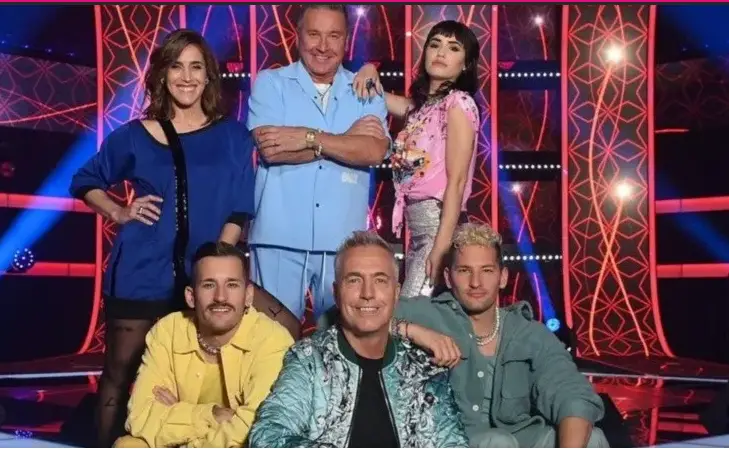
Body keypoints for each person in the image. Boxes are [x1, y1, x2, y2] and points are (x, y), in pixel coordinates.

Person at [69, 29, 255, 445]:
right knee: (119, 374)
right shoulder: (136, 134)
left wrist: (216, 268)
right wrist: (119, 211)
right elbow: (84, 179)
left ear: (209, 76)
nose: (186, 77)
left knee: (194, 381)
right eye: (176, 66)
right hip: (140, 271)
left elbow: (239, 209)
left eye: (196, 67)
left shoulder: (233, 136)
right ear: (162, 75)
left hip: (201, 279)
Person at [393, 223, 610, 448]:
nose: (476, 283)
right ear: (448, 278)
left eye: (487, 270)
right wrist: (410, 330)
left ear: (503, 277)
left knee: (592, 438)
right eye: (464, 270)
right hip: (450, 440)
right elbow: (369, 318)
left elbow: (571, 392)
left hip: (519, 438)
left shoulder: (527, 332)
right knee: (497, 442)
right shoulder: (427, 314)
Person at [247, 231, 468, 448]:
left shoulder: (423, 368)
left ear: (396, 293)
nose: (367, 293)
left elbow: (453, 442)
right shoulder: (310, 361)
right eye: (354, 280)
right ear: (336, 293)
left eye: (380, 280)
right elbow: (268, 436)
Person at [247, 4, 390, 322]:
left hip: (344, 241)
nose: (323, 46)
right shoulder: (271, 83)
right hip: (278, 237)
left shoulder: (366, 89)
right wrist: (346, 140)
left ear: (346, 40)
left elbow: (373, 151)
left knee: (343, 339)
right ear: (298, 36)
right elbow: (271, 149)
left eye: (333, 36)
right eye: (314, 34)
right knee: (272, 340)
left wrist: (308, 138)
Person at [113, 242, 294, 448]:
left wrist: (179, 413)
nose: (220, 297)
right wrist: (210, 415)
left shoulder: (272, 340)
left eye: (232, 285)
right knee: (128, 445)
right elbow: (140, 416)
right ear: (191, 297)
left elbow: (256, 429)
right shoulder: (168, 332)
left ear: (248, 296)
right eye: (209, 285)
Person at [353, 20, 481, 297]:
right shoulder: (421, 109)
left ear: (466, 64)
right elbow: (376, 93)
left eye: (453, 48)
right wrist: (369, 68)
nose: (441, 52)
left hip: (439, 228)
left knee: (411, 312)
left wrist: (441, 246)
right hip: (418, 232)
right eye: (435, 45)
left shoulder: (458, 103)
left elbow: (457, 182)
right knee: (414, 312)